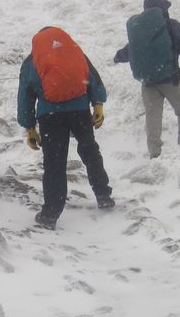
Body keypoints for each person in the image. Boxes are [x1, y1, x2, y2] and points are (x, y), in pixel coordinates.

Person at [17, 26, 115, 230]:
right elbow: (92, 77)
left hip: (50, 116)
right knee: (89, 150)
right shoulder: (74, 52)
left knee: (54, 163)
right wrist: (98, 104)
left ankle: (50, 214)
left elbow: (25, 95)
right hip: (79, 110)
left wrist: (29, 127)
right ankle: (103, 195)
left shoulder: (32, 61)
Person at [114, 0, 180, 158]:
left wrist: (117, 57)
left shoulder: (142, 33)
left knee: (153, 117)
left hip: (148, 81)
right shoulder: (170, 25)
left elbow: (130, 50)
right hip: (170, 79)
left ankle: (154, 152)